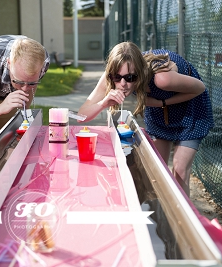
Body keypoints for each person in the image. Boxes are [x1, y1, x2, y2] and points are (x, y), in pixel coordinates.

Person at [78, 42, 211, 193]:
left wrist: (159, 102)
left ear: (140, 73)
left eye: (130, 77)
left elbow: (200, 88)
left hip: (190, 110)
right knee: (155, 169)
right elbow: (81, 116)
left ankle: (184, 215)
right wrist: (103, 103)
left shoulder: (162, 79)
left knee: (180, 170)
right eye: (117, 77)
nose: (123, 84)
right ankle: (159, 210)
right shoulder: (113, 75)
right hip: (160, 113)